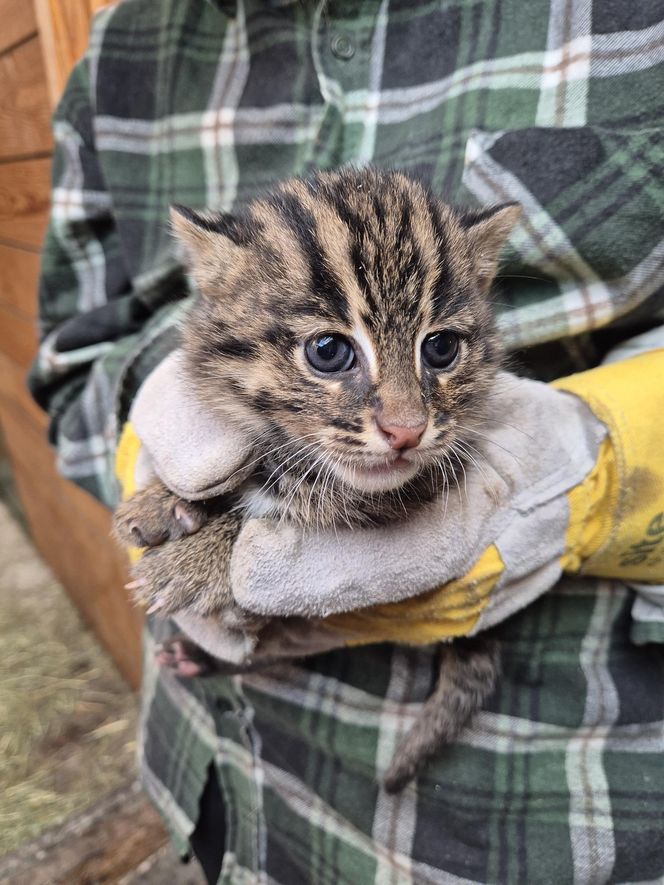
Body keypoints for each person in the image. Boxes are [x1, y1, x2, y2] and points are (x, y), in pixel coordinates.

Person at [29, 1, 664, 882]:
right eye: (333, 352)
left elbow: (392, 474)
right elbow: (73, 356)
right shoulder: (119, 54)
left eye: (439, 350)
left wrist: (604, 458)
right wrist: (149, 448)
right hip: (217, 778)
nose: (403, 421)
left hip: (529, 812)